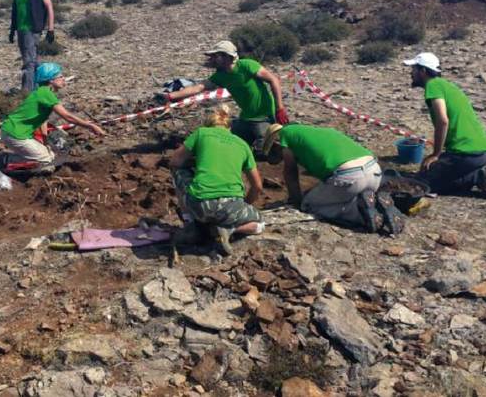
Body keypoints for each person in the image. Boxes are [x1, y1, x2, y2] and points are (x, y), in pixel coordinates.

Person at [264, 123, 405, 235]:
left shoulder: (285, 135)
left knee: (308, 204)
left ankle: (359, 213)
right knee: (336, 192)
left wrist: (296, 200)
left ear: (275, 143)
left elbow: (290, 173)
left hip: (350, 176)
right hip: (374, 171)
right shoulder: (323, 132)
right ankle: (373, 201)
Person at [162, 40, 289, 158]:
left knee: (265, 153)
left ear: (228, 57)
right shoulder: (220, 76)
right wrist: (171, 96)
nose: (212, 59)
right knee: (230, 145)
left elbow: (273, 80)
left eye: (215, 56)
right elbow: (199, 88)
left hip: (263, 116)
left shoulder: (247, 65)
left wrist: (280, 108)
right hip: (245, 118)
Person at [169, 104, 265, 255]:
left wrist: (195, 163)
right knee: (259, 224)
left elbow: (175, 162)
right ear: (229, 128)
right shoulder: (243, 144)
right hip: (230, 209)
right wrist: (241, 206)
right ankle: (230, 228)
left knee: (178, 171)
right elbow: (257, 186)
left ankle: (190, 223)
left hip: (198, 205)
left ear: (208, 124)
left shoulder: (202, 133)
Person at [404, 52, 486, 197]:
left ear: (423, 71)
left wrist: (436, 154)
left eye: (413, 69)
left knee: (421, 184)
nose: (411, 73)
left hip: (464, 154)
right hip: (482, 152)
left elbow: (442, 121)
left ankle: (479, 176)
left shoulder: (433, 85)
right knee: (434, 175)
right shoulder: (449, 86)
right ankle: (479, 172)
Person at [0, 62, 105, 167]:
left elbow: (43, 121)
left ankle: (14, 161)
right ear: (50, 80)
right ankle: (5, 160)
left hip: (13, 131)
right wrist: (90, 126)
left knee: (50, 155)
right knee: (45, 160)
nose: (64, 78)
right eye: (60, 76)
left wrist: (44, 142)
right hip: (15, 134)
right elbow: (67, 116)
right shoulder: (46, 93)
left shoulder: (43, 92)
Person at [8, 0, 55, 93]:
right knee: (30, 59)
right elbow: (16, 10)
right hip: (21, 29)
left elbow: (50, 8)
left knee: (29, 61)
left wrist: (50, 29)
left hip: (32, 28)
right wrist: (12, 30)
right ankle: (41, 85)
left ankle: (27, 91)